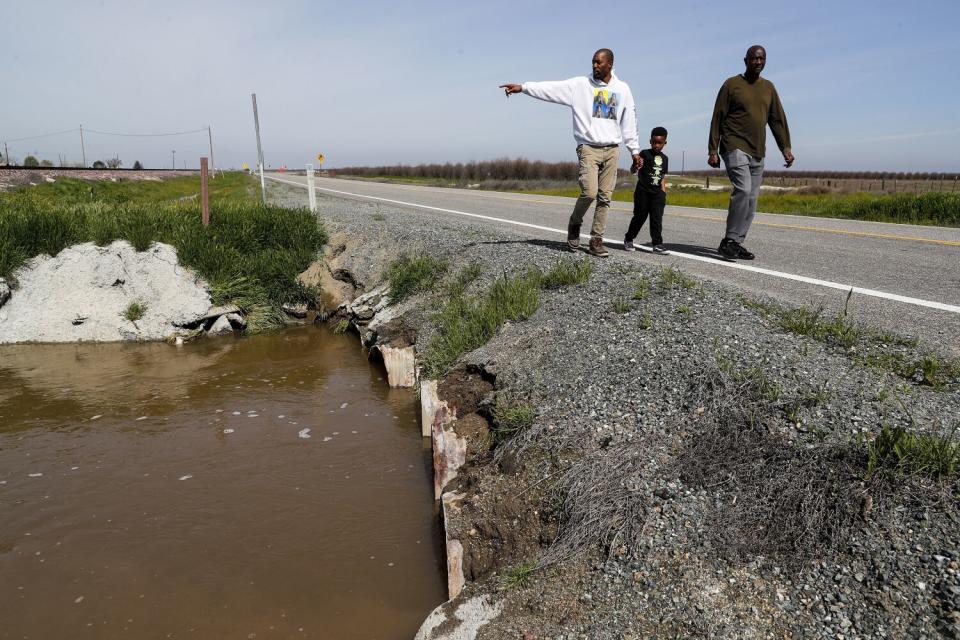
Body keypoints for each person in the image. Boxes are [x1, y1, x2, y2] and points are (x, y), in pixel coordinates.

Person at [500, 48, 642, 257]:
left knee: (605, 197)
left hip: (612, 149)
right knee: (589, 193)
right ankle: (575, 223)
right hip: (588, 148)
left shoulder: (623, 89)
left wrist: (634, 151)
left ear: (610, 64)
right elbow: (551, 88)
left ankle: (596, 239)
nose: (594, 66)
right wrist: (524, 87)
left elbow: (629, 121)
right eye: (593, 62)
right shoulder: (580, 85)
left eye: (598, 63)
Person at [708, 45, 794, 260]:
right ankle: (729, 239)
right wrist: (712, 149)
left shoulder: (768, 88)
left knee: (752, 199)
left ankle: (736, 242)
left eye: (761, 59)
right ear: (745, 60)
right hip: (734, 144)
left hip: (758, 149)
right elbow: (717, 117)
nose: (758, 62)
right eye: (754, 59)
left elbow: (777, 120)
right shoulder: (732, 85)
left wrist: (785, 147)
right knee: (744, 191)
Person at [624, 126, 669, 253]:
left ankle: (657, 244)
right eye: (654, 142)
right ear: (650, 141)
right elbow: (633, 171)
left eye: (660, 143)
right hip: (642, 192)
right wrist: (635, 164)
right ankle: (628, 238)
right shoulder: (644, 153)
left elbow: (662, 176)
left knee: (656, 219)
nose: (656, 145)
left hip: (657, 194)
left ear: (665, 143)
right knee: (639, 217)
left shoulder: (665, 159)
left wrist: (663, 192)